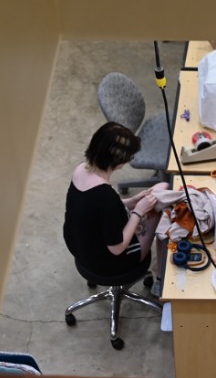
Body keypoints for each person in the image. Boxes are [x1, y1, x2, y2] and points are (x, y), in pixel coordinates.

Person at [63, 122, 169, 289]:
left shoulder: (81, 170)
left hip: (80, 248)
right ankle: (161, 281)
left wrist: (132, 201)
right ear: (120, 162)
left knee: (153, 198)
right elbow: (117, 248)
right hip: (109, 265)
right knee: (156, 211)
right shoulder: (106, 196)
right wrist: (139, 211)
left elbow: (94, 210)